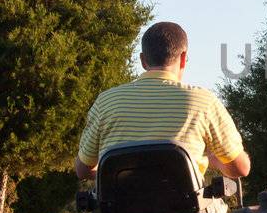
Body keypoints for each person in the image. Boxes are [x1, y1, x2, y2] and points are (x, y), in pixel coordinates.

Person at [74, 21, 251, 185]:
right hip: (184, 212)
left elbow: (83, 170)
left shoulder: (106, 101)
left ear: (143, 60)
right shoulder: (203, 102)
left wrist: (116, 174)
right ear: (183, 58)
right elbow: (241, 168)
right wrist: (215, 162)